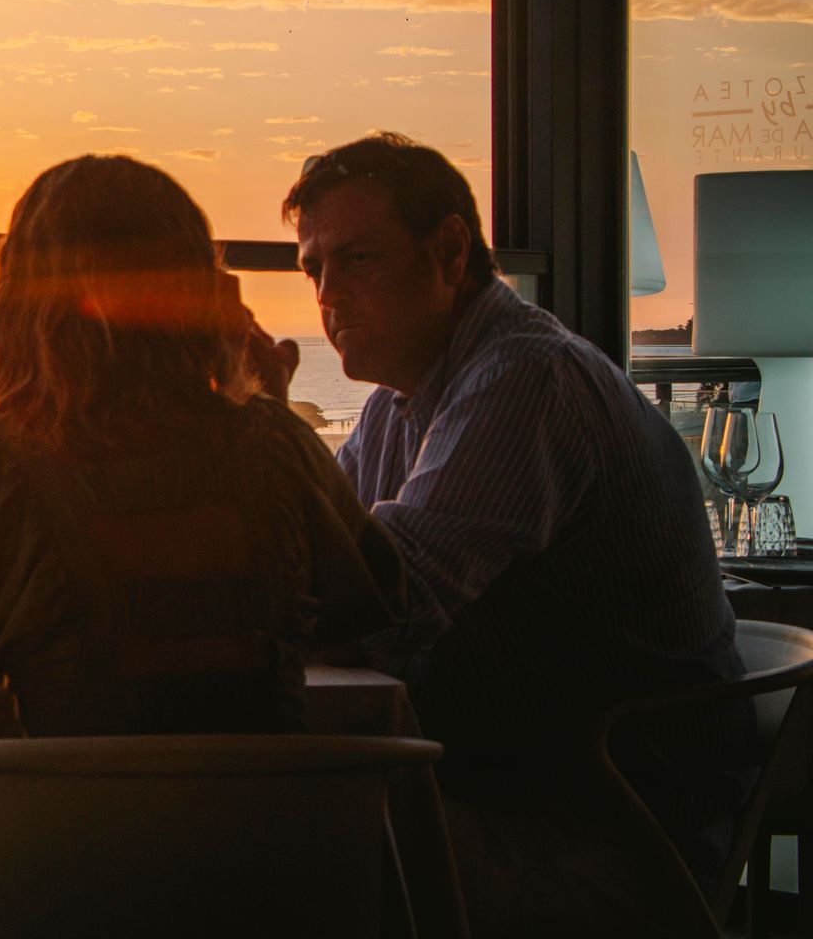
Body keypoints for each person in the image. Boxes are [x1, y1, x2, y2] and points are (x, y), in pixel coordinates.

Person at [281, 132, 745, 935]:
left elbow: (383, 601)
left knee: (285, 854)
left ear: (450, 253)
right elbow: (316, 557)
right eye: (314, 268)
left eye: (357, 260)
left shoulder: (524, 380)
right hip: (519, 787)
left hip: (613, 832)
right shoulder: (402, 404)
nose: (327, 295)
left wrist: (260, 427)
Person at [0, 154, 406, 750]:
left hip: (70, 841)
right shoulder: (276, 450)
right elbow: (362, 617)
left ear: (21, 306)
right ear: (201, 295)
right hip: (278, 839)